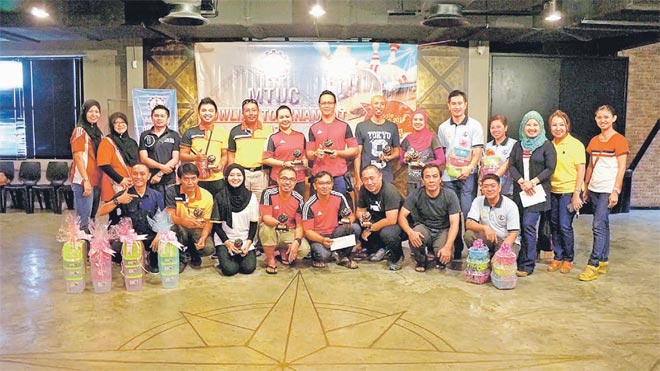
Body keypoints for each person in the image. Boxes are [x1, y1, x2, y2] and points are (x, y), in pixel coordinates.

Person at [579, 105, 629, 281]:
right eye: (599, 117)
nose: (603, 120)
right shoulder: (594, 140)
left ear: (614, 118)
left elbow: (622, 167)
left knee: (597, 226)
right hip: (594, 188)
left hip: (608, 189)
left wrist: (615, 190)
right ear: (595, 119)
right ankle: (603, 261)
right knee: (603, 224)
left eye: (606, 117)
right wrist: (585, 186)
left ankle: (592, 264)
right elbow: (591, 165)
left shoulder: (619, 140)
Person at [437, 90, 483, 267]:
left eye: (459, 103)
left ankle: (474, 250)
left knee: (467, 212)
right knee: (451, 213)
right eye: (453, 103)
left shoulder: (474, 126)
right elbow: (441, 152)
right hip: (448, 177)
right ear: (449, 106)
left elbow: (477, 151)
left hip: (467, 176)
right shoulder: (443, 128)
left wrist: (469, 168)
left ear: (465, 105)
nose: (456, 106)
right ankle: (455, 250)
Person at [509, 111, 557, 277]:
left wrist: (533, 182)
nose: (532, 128)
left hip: (537, 193)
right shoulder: (518, 145)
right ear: (523, 126)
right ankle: (518, 258)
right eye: (529, 124)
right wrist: (521, 181)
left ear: (541, 127)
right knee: (519, 227)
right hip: (520, 192)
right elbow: (512, 166)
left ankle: (528, 264)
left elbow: (550, 168)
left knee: (529, 226)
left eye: (535, 124)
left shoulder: (546, 145)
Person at [97, 163, 165, 272]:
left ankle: (151, 257)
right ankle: (133, 257)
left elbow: (163, 217)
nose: (138, 177)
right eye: (135, 174)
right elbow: (101, 212)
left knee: (166, 242)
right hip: (128, 238)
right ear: (131, 175)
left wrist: (160, 233)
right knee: (114, 251)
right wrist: (118, 200)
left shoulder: (156, 195)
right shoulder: (123, 194)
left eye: (142, 174)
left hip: (149, 237)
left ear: (148, 176)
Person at [398, 163, 461, 272]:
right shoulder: (416, 194)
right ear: (422, 180)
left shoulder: (450, 195)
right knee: (415, 233)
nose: (431, 180)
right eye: (427, 177)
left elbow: (455, 223)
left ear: (440, 179)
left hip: (443, 230)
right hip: (424, 229)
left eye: (435, 176)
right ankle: (421, 260)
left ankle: (435, 253)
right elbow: (401, 216)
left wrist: (448, 246)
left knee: (445, 258)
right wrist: (410, 232)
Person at [548, 110, 586, 274]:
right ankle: (558, 257)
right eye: (554, 125)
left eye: (561, 124)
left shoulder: (575, 145)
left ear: (567, 126)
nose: (558, 128)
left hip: (569, 191)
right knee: (554, 226)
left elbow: (581, 170)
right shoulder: (550, 144)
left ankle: (568, 259)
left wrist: (577, 193)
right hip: (553, 191)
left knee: (564, 226)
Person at [302, 171, 360, 269]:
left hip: (335, 234)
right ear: (315, 186)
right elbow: (308, 231)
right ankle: (324, 255)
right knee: (323, 255)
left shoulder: (339, 197)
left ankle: (343, 256)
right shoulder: (309, 205)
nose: (325, 186)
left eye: (328, 183)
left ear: (332, 184)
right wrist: (322, 240)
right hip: (318, 238)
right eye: (321, 183)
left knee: (355, 228)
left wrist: (348, 220)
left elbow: (351, 216)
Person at [259, 166, 311, 274]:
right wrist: (280, 224)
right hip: (272, 229)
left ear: (296, 182)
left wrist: (297, 241)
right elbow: (266, 217)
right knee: (265, 228)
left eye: (291, 180)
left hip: (288, 231)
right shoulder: (268, 193)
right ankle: (271, 259)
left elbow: (299, 226)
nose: (287, 182)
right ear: (278, 179)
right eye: (284, 179)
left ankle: (283, 249)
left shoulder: (299, 199)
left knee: (304, 249)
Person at [306, 90, 358, 195]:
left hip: (338, 177)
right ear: (319, 105)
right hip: (319, 178)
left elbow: (355, 150)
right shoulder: (313, 128)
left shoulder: (344, 126)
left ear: (335, 105)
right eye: (324, 103)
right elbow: (309, 154)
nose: (326, 106)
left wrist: (339, 153)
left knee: (340, 209)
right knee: (318, 210)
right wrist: (316, 154)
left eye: (329, 103)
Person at [165, 163, 215, 272]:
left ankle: (191, 251)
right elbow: (169, 216)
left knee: (209, 248)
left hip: (197, 228)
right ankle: (181, 256)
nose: (190, 182)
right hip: (179, 226)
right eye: (186, 179)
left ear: (198, 178)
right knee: (172, 230)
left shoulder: (207, 195)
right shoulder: (172, 191)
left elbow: (208, 222)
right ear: (180, 179)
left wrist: (203, 238)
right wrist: (184, 221)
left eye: (193, 178)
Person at [212, 164, 259, 276]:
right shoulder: (220, 197)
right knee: (230, 270)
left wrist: (248, 244)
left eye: (239, 175)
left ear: (243, 177)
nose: (235, 178)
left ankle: (237, 257)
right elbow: (216, 226)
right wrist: (228, 244)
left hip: (244, 239)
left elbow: (253, 224)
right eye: (231, 175)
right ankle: (226, 257)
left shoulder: (251, 197)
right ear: (226, 177)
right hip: (225, 240)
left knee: (248, 268)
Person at [354, 165, 404, 270]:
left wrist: (370, 228)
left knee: (387, 233)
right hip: (377, 219)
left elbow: (391, 219)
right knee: (356, 224)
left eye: (372, 178)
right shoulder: (364, 189)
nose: (369, 182)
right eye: (365, 179)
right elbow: (359, 211)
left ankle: (397, 257)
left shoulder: (389, 191)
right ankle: (377, 248)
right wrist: (363, 219)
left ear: (380, 176)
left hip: (397, 224)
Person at [179, 97, 229, 198]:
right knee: (197, 210)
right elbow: (182, 155)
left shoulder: (222, 133)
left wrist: (221, 165)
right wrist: (195, 158)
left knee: (218, 210)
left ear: (216, 115)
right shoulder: (190, 132)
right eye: (204, 110)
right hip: (196, 180)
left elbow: (224, 155)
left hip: (217, 179)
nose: (207, 113)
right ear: (199, 113)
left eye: (210, 111)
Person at [227, 98, 274, 202]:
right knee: (241, 204)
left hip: (261, 173)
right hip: (242, 174)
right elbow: (231, 154)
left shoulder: (268, 130)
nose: (251, 113)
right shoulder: (235, 131)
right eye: (247, 110)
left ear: (258, 111)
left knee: (259, 205)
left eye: (253, 110)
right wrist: (231, 173)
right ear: (243, 113)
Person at [97, 112, 139, 224]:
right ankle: (115, 241)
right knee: (115, 218)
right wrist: (121, 180)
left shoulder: (132, 143)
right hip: (114, 185)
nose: (120, 125)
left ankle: (129, 240)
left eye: (122, 122)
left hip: (131, 184)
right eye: (116, 123)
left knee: (131, 216)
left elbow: (137, 163)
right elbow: (103, 164)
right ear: (112, 126)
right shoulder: (107, 142)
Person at [464, 174, 520, 256]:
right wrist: (485, 228)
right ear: (481, 189)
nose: (489, 189)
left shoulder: (510, 205)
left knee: (501, 263)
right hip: (489, 238)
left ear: (499, 188)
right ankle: (483, 257)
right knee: (469, 235)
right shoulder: (478, 201)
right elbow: (469, 223)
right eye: (486, 186)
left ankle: (494, 258)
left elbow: (513, 234)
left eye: (493, 186)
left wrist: (501, 253)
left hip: (506, 240)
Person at [70, 99, 103, 232]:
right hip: (84, 181)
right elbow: (78, 156)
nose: (94, 114)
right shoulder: (80, 131)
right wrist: (86, 180)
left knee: (92, 219)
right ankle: (81, 249)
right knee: (83, 221)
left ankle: (92, 249)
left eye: (97, 111)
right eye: (90, 111)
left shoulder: (97, 132)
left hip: (96, 180)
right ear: (84, 113)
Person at [354, 95, 400, 186]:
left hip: (385, 174)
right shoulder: (361, 126)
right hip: (367, 174)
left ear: (385, 107)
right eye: (376, 103)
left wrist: (389, 157)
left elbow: (397, 151)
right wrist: (357, 177)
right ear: (370, 106)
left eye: (382, 104)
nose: (379, 106)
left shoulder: (392, 127)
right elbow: (357, 154)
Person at [262, 105, 308, 196]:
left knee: (297, 208)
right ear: (277, 120)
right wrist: (284, 164)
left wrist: (305, 160)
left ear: (292, 118)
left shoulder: (301, 136)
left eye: (287, 116)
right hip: (279, 180)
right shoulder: (273, 137)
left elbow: (305, 155)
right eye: (281, 117)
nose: (285, 119)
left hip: (298, 179)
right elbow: (265, 159)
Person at [400, 108, 445, 196]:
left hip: (429, 182)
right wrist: (406, 159)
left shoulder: (432, 137)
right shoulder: (407, 139)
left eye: (420, 119)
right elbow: (401, 162)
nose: (418, 122)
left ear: (425, 121)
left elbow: (441, 160)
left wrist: (425, 165)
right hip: (412, 182)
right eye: (415, 119)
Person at [139, 105, 180, 197]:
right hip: (150, 178)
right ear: (152, 117)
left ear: (168, 118)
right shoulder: (144, 135)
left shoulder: (174, 135)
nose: (159, 118)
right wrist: (162, 167)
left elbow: (175, 159)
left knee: (169, 208)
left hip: (169, 179)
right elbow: (144, 158)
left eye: (162, 116)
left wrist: (160, 173)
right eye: (156, 115)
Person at [482, 114, 517, 197]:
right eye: (492, 127)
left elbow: (507, 164)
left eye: (498, 127)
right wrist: (482, 182)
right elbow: (483, 166)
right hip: (489, 190)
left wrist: (493, 179)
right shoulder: (487, 146)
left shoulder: (514, 144)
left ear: (505, 128)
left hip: (506, 189)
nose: (495, 130)